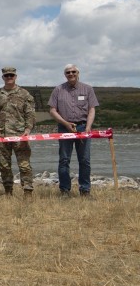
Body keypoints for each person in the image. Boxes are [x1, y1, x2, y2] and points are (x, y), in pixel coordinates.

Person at [48, 64, 99, 197]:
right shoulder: (58, 90)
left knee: (85, 160)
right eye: (68, 72)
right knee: (64, 159)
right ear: (65, 75)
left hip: (83, 127)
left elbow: (92, 109)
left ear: (78, 73)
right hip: (64, 127)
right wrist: (65, 123)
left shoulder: (88, 89)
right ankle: (65, 190)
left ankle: (85, 190)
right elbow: (52, 110)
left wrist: (88, 127)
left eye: (73, 71)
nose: (71, 74)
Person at [0, 67, 36, 197]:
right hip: (2, 136)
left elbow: (30, 114)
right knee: (4, 166)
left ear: (15, 76)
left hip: (20, 135)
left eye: (11, 75)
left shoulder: (24, 94)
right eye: (7, 75)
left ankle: (27, 191)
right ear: (3, 77)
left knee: (24, 165)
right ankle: (8, 191)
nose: (9, 77)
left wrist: (28, 129)